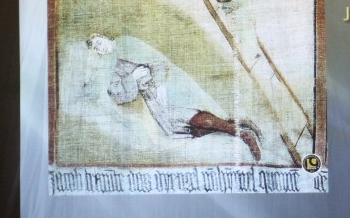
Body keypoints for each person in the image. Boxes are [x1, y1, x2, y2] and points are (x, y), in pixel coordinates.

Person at [87, 34, 262, 161]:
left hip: (165, 83)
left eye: (99, 42)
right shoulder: (111, 67)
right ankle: (236, 124)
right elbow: (121, 96)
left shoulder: (128, 42)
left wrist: (154, 79)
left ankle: (244, 135)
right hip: (150, 97)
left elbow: (157, 60)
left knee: (182, 116)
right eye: (96, 48)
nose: (100, 48)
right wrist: (132, 78)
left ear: (105, 37)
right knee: (175, 129)